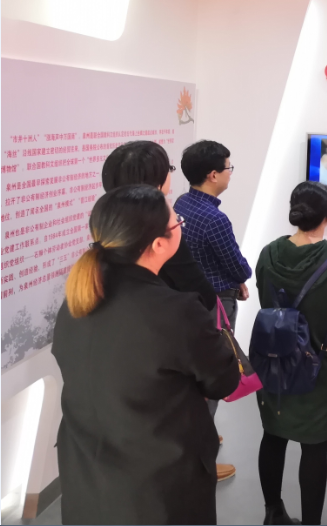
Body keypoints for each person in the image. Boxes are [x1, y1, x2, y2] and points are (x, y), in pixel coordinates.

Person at [53, 185, 240, 524]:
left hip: (88, 481)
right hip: (158, 489)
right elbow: (223, 381)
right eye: (177, 222)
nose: (180, 226)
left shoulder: (77, 300)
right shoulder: (177, 311)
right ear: (158, 244)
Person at [256, 182, 327, 525]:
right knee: (315, 447)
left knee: (273, 435)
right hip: (319, 369)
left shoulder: (268, 254)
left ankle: (273, 512)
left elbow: (265, 301)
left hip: (273, 362)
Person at [174, 139, 251, 481]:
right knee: (214, 375)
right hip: (216, 303)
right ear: (213, 174)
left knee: (192, 376)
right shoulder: (215, 219)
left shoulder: (182, 204)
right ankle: (200, 461)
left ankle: (199, 435)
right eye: (229, 168)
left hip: (187, 300)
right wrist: (241, 278)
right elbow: (238, 265)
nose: (231, 173)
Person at [101, 140, 216, 310]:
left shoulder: (105, 223)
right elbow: (203, 294)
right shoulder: (161, 227)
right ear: (155, 183)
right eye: (168, 169)